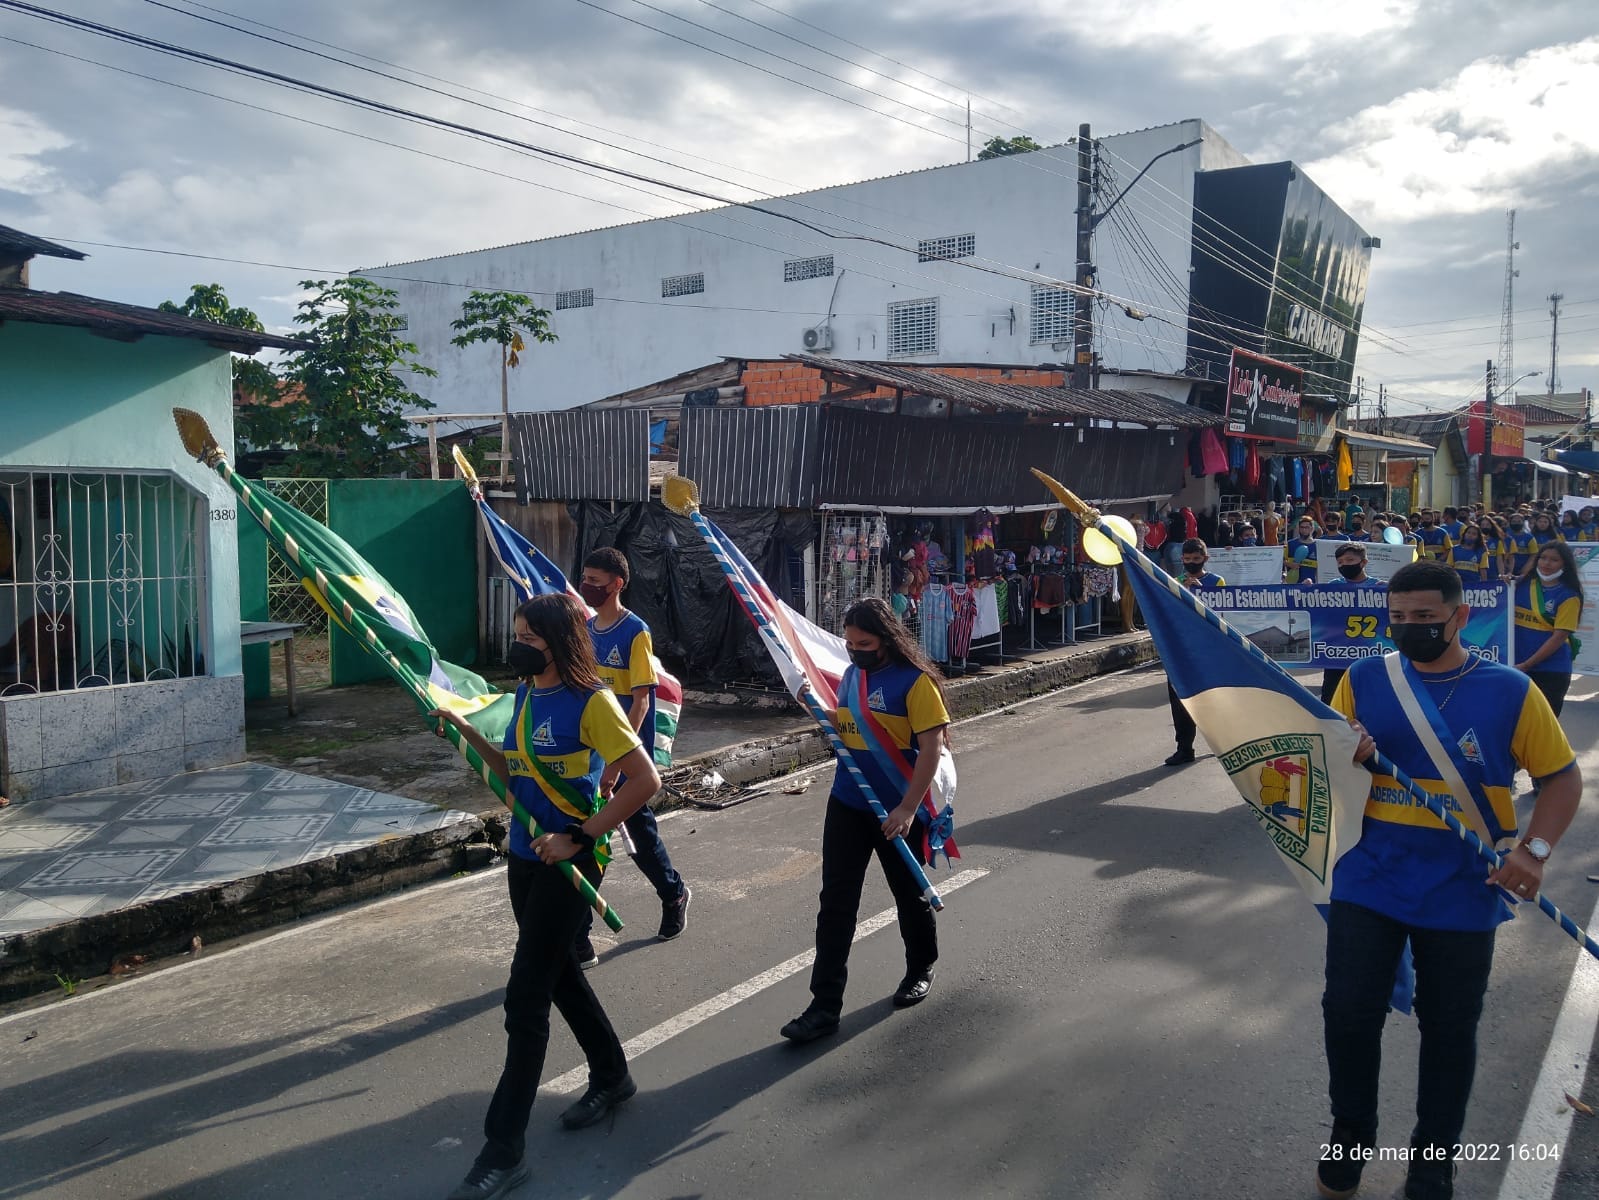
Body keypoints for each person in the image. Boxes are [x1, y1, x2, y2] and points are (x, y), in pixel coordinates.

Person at [1317, 561, 1580, 1200]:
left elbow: (1561, 778)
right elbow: (1321, 762)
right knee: (1348, 1013)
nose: (1410, 630)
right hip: (1369, 876)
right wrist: (1338, 747)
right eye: (1399, 618)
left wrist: (1535, 851)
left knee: (1449, 1027)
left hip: (1464, 885)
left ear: (1460, 616)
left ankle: (1434, 1160)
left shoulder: (1512, 690)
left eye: (1425, 619)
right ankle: (1351, 1133)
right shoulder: (1363, 678)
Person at [433, 594, 663, 1200]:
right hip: (524, 855)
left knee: (527, 996)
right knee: (558, 974)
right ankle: (612, 1074)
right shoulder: (525, 697)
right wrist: (462, 733)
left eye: (530, 638)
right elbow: (512, 774)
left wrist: (582, 836)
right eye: (517, 635)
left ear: (558, 641)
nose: (519, 646)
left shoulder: (594, 703)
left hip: (571, 859)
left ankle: (502, 1149)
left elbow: (645, 780)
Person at [780, 597, 950, 1043]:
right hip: (849, 803)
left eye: (865, 643)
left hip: (897, 810)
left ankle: (921, 966)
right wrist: (814, 708)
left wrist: (909, 808)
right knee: (835, 905)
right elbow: (848, 725)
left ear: (887, 639)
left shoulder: (915, 684)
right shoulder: (853, 675)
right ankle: (824, 1006)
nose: (855, 651)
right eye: (850, 643)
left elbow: (931, 748)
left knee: (908, 895)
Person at [576, 548, 691, 962]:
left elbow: (641, 703)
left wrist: (614, 765)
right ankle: (580, 933)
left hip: (627, 757)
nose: (588, 586)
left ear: (617, 584)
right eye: (585, 578)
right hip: (594, 753)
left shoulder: (635, 632)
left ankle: (674, 893)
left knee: (637, 835)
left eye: (595, 580)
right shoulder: (587, 630)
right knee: (593, 836)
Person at [1166, 539, 1225, 766]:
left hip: (1207, 650)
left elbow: (1220, 612)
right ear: (1182, 559)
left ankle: (1221, 742)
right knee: (1180, 701)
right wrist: (1183, 589)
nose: (1191, 564)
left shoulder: (1216, 581)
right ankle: (1184, 748)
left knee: (1211, 699)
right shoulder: (1174, 582)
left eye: (1196, 560)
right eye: (1187, 559)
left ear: (1205, 559)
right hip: (1180, 649)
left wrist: (1199, 593)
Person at [1513, 540, 1585, 719]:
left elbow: (1558, 637)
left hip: (1550, 671)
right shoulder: (1520, 585)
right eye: (1543, 558)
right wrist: (1504, 584)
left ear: (1564, 565)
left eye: (1554, 560)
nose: (1546, 563)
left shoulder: (1569, 595)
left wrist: (1527, 665)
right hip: (1516, 667)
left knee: (1543, 727)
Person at [1317, 543, 1380, 704]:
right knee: (1331, 701)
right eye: (1340, 562)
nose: (1344, 564)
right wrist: (1306, 590)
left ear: (1363, 562)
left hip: (1369, 655)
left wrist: (1391, 592)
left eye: (1350, 559)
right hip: (1336, 655)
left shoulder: (1379, 587)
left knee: (1368, 700)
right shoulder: (1333, 586)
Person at [1285, 516, 1319, 585]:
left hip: (1311, 585)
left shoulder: (1318, 546)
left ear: (1312, 529)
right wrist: (1289, 564)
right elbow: (1281, 561)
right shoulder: (1290, 544)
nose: (1304, 530)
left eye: (1306, 527)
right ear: (1298, 528)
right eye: (1302, 527)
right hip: (1293, 584)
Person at [1504, 511, 1536, 578]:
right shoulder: (1505, 536)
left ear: (1523, 522)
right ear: (1510, 523)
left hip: (1524, 572)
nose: (1516, 523)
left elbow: (1533, 555)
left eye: (1519, 521)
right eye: (1514, 521)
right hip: (1507, 571)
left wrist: (1525, 569)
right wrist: (1507, 567)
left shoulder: (1529, 537)